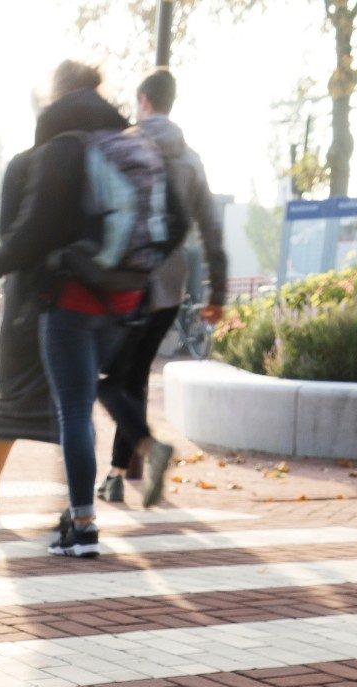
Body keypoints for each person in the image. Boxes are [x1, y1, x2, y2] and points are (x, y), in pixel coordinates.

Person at [0, 61, 132, 557]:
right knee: (81, 408)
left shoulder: (59, 144)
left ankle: (83, 523)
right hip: (117, 300)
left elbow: (33, 228)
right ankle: (76, 507)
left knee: (71, 410)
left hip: (67, 296)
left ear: (58, 94)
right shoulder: (121, 140)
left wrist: (1, 261)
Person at [95, 67, 227, 508]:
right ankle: (117, 473)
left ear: (144, 101)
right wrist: (217, 293)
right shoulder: (191, 158)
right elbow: (210, 229)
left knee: (109, 378)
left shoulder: (127, 144)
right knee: (133, 377)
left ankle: (140, 456)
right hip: (170, 284)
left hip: (129, 281)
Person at [0, 138, 58, 508]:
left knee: (13, 392)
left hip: (26, 293)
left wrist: (3, 261)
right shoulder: (91, 156)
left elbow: (8, 231)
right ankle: (77, 502)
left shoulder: (24, 163)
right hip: (75, 292)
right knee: (71, 402)